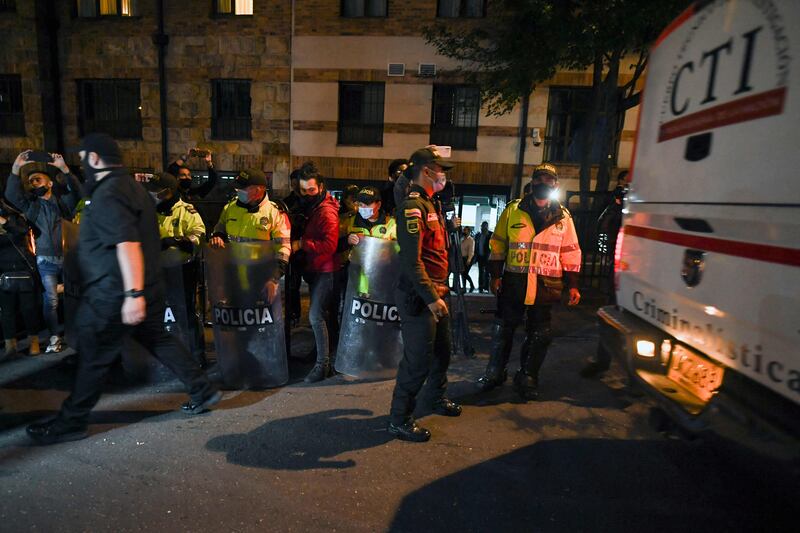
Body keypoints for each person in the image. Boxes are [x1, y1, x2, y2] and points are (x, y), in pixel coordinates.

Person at [26, 133, 221, 445]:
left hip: (117, 292)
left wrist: (132, 295)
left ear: (94, 159)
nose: (81, 163)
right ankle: (202, 387)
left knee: (94, 355)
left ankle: (72, 420)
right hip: (143, 284)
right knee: (158, 339)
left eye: (83, 157)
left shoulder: (111, 192)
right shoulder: (132, 188)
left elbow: (127, 243)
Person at [475, 163, 581, 400]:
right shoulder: (513, 210)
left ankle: (528, 376)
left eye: (549, 179)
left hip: (546, 286)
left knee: (540, 334)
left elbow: (571, 251)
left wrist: (573, 284)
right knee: (503, 329)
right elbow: (498, 244)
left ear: (555, 184)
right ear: (532, 182)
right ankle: (495, 373)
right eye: (539, 178)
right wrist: (495, 275)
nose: (544, 183)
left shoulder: (563, 217)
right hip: (514, 283)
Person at [388, 147, 461, 443]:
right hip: (420, 298)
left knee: (442, 352)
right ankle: (399, 418)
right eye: (440, 169)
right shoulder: (412, 207)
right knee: (417, 360)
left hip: (438, 292)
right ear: (426, 170)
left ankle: (434, 398)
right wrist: (431, 297)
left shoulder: (432, 205)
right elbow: (411, 260)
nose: (443, 175)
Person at [6, 150, 82, 354]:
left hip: (67, 258)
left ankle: (76, 335)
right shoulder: (31, 206)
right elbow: (12, 195)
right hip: (45, 260)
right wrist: (16, 167)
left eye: (37, 179)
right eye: (30, 181)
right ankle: (55, 336)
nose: (33, 182)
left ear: (49, 183)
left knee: (75, 297)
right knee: (51, 301)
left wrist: (64, 169)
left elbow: (77, 194)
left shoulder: (61, 203)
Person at [143, 172, 208, 365]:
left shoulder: (187, 211)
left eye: (156, 192)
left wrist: (175, 241)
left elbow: (199, 236)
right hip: (154, 270)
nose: (152, 195)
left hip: (181, 271)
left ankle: (196, 357)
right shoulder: (149, 211)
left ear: (167, 193)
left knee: (185, 314)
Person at [209, 167, 291, 307]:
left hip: (261, 280)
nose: (238, 191)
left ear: (258, 190)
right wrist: (217, 236)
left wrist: (274, 278)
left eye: (242, 189)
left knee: (260, 324)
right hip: (234, 277)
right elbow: (220, 227)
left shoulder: (275, 214)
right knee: (236, 321)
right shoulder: (230, 208)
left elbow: (283, 248)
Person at [292, 162, 340, 383]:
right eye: (303, 190)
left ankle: (323, 365)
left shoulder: (326, 212)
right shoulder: (316, 207)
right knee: (321, 315)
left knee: (315, 315)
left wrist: (303, 243)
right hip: (316, 269)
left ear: (320, 187)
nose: (307, 194)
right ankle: (319, 355)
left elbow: (329, 246)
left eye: (311, 190)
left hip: (325, 270)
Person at [580, 171, 628, 378]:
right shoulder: (615, 203)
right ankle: (603, 360)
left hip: (637, 265)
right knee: (611, 314)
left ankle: (631, 374)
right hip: (619, 267)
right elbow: (603, 226)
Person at [0, 200, 41, 358]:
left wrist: (4, 222)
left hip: (23, 269)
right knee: (7, 312)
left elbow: (21, 232)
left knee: (28, 308)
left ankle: (34, 342)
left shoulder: (16, 217)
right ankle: (10, 346)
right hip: (3, 272)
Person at [474, 221, 492, 292]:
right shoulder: (478, 235)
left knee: (487, 273)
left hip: (487, 257)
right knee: (480, 272)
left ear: (487, 227)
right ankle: (480, 287)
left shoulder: (490, 235)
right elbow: (476, 246)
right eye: (482, 226)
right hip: (480, 256)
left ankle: (486, 287)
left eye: (484, 226)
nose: (483, 228)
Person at [460, 226, 475, 292]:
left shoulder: (471, 240)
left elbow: (471, 251)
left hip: (467, 258)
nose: (464, 231)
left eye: (465, 230)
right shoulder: (462, 239)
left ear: (469, 232)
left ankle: (469, 286)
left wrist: (469, 260)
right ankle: (466, 287)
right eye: (464, 230)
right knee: (463, 273)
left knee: (465, 273)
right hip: (462, 258)